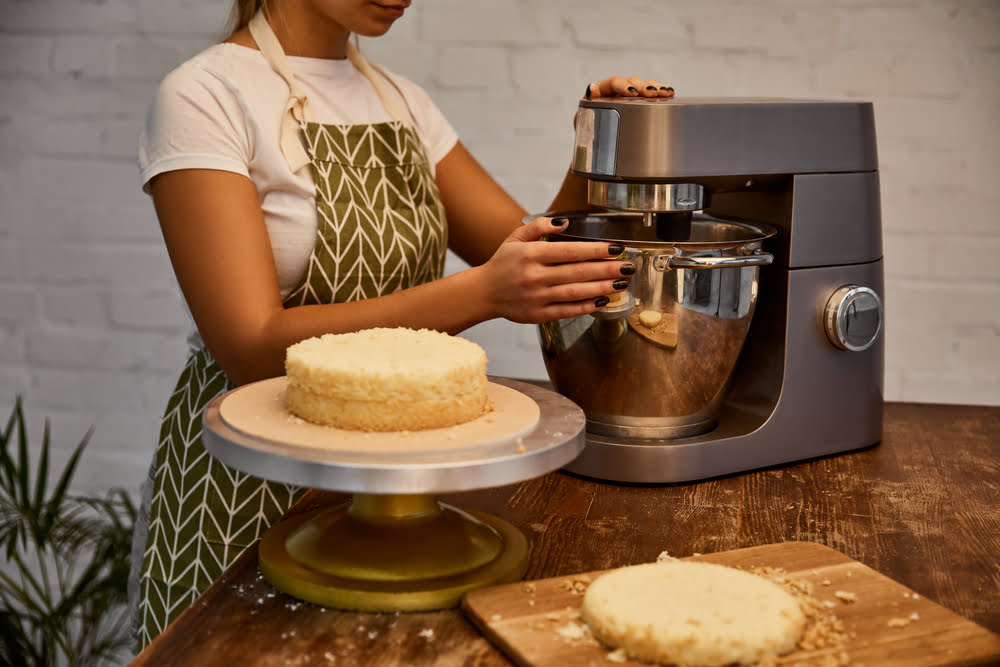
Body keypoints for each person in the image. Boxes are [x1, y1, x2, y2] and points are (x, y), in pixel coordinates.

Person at [129, 0, 675, 648]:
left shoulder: (401, 103)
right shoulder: (206, 96)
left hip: (396, 490)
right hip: (249, 491)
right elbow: (249, 347)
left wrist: (599, 141)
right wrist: (483, 293)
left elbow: (521, 252)